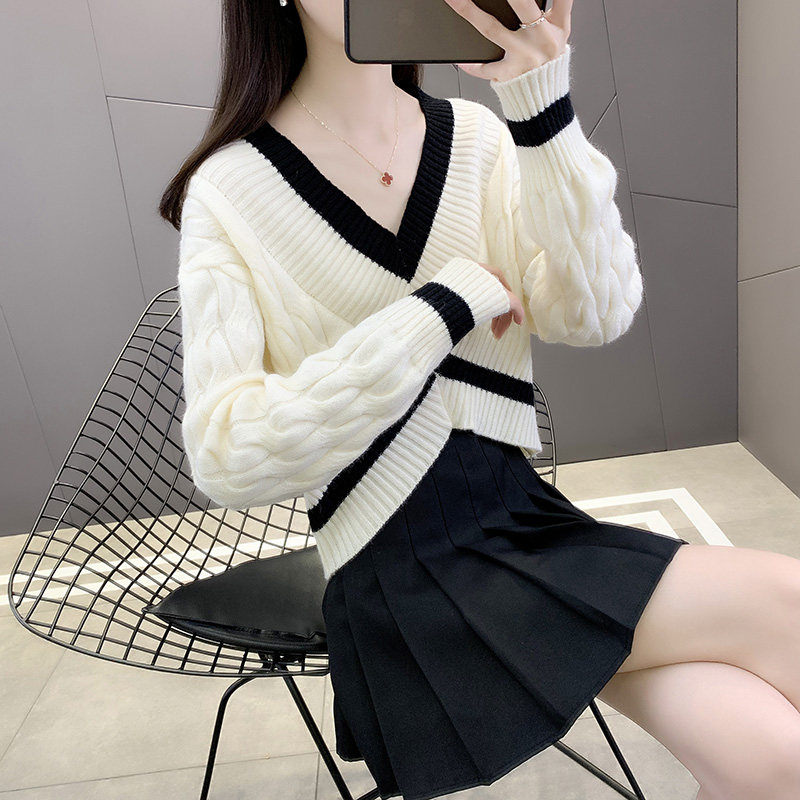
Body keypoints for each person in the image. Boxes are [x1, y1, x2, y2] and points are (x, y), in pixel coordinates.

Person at [158, 2, 800, 798]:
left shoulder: (477, 140)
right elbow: (226, 453)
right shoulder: (230, 188)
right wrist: (441, 307)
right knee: (789, 606)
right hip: (400, 572)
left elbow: (596, 312)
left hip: (523, 525)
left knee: (772, 759)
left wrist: (541, 104)